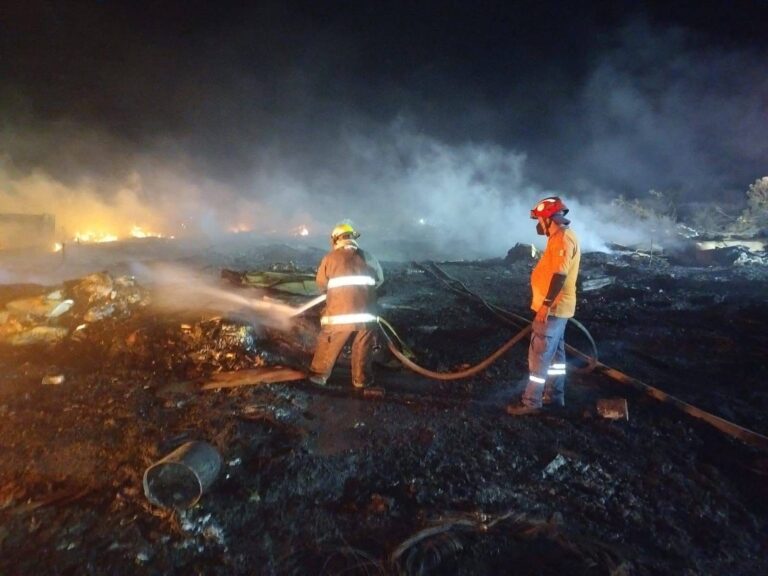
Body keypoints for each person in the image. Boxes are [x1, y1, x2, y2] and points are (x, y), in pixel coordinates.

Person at [506, 196, 581, 415]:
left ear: (549, 218)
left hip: (553, 309)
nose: (539, 224)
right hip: (558, 308)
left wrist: (546, 305)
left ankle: (531, 402)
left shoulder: (562, 239)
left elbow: (559, 275)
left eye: (540, 219)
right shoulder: (560, 236)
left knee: (539, 357)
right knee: (556, 356)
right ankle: (554, 396)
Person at [308, 221, 384, 389]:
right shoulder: (369, 257)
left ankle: (319, 375)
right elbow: (379, 280)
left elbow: (321, 284)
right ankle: (361, 380)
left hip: (339, 316)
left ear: (336, 239)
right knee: (363, 347)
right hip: (367, 315)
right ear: (352, 238)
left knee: (329, 341)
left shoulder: (329, 259)